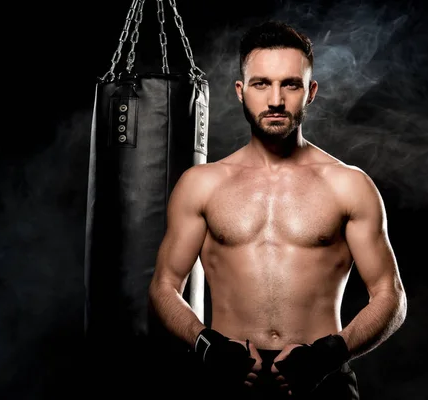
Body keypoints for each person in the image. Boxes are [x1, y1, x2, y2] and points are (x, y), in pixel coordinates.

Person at [148, 19, 407, 399]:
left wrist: (330, 355)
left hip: (320, 379)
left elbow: (390, 295)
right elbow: (164, 286)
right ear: (240, 91)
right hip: (228, 377)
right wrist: (205, 345)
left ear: (311, 91)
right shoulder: (202, 184)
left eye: (290, 84)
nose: (275, 100)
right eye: (261, 83)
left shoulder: (348, 184)